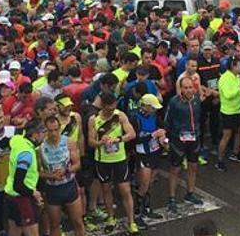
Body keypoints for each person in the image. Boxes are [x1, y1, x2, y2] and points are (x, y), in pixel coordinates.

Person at [88, 91, 139, 234]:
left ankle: (131, 221)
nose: (111, 111)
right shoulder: (94, 119)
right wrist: (100, 142)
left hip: (119, 159)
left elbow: (132, 133)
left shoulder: (120, 115)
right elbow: (91, 142)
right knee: (106, 189)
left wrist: (119, 139)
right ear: (103, 106)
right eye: (109, 108)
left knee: (125, 190)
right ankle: (111, 218)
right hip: (103, 160)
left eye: (113, 107)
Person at [165, 76, 205, 213]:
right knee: (175, 169)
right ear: (181, 89)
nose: (188, 90)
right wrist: (169, 138)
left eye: (190, 87)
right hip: (178, 140)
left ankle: (190, 193)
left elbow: (200, 118)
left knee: (193, 167)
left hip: (194, 138)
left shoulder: (197, 100)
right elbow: (167, 121)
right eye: (185, 88)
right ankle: (171, 198)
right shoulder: (174, 102)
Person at [40, 114, 85, 236]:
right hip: (52, 189)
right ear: (46, 130)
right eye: (50, 131)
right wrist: (51, 176)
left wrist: (66, 171)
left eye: (56, 130)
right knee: (54, 225)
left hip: (69, 185)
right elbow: (38, 172)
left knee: (77, 222)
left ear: (60, 128)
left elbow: (77, 164)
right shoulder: (41, 147)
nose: (54, 133)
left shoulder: (68, 142)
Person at [4, 119, 46, 236]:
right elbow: (18, 184)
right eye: (44, 133)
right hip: (22, 198)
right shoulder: (26, 154)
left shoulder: (18, 140)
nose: (45, 137)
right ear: (35, 134)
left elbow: (7, 141)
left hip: (10, 196)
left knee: (14, 232)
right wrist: (34, 193)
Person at [130, 93, 166, 224]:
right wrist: (152, 135)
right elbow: (134, 139)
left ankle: (146, 207)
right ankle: (137, 212)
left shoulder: (155, 116)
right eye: (152, 107)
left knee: (150, 182)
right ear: (145, 106)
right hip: (141, 153)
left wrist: (162, 136)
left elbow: (163, 127)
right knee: (144, 183)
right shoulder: (135, 118)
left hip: (154, 151)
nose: (155, 109)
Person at [216, 55, 240, 171]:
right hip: (228, 112)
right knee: (226, 136)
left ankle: (235, 153)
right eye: (239, 65)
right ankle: (220, 160)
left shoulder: (236, 76)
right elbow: (228, 95)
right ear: (233, 66)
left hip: (239, 110)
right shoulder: (224, 78)